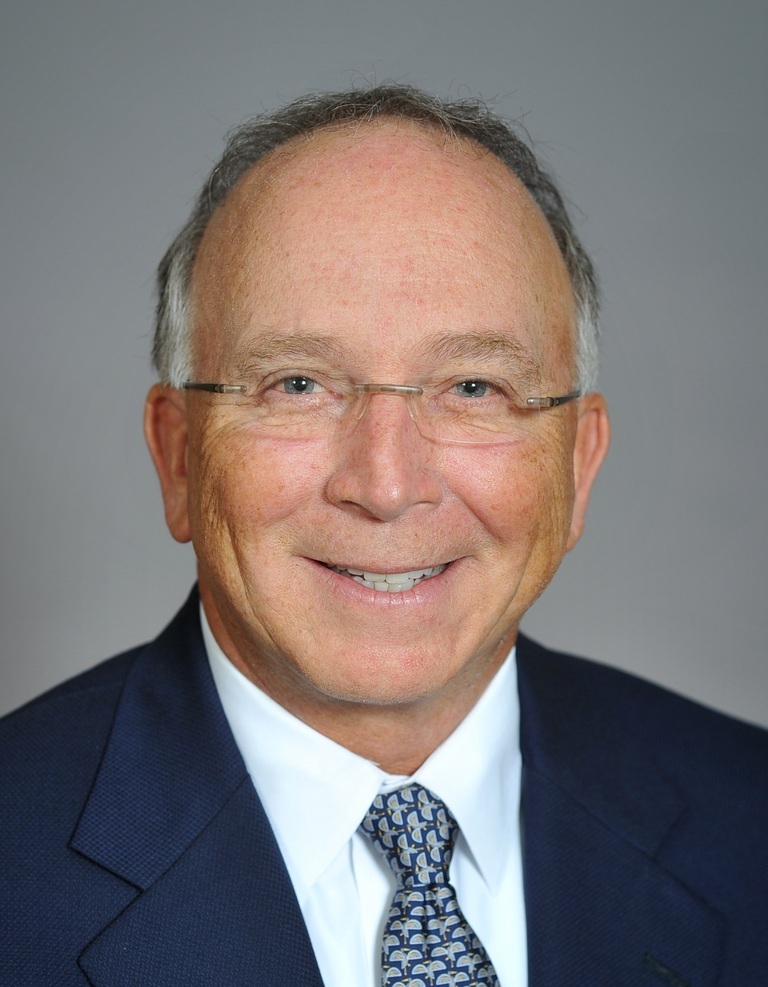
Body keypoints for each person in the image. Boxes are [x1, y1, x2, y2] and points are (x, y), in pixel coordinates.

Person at [2, 85, 766, 987]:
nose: (387, 485)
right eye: (297, 383)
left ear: (577, 464)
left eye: (475, 387)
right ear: (179, 458)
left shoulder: (747, 818)